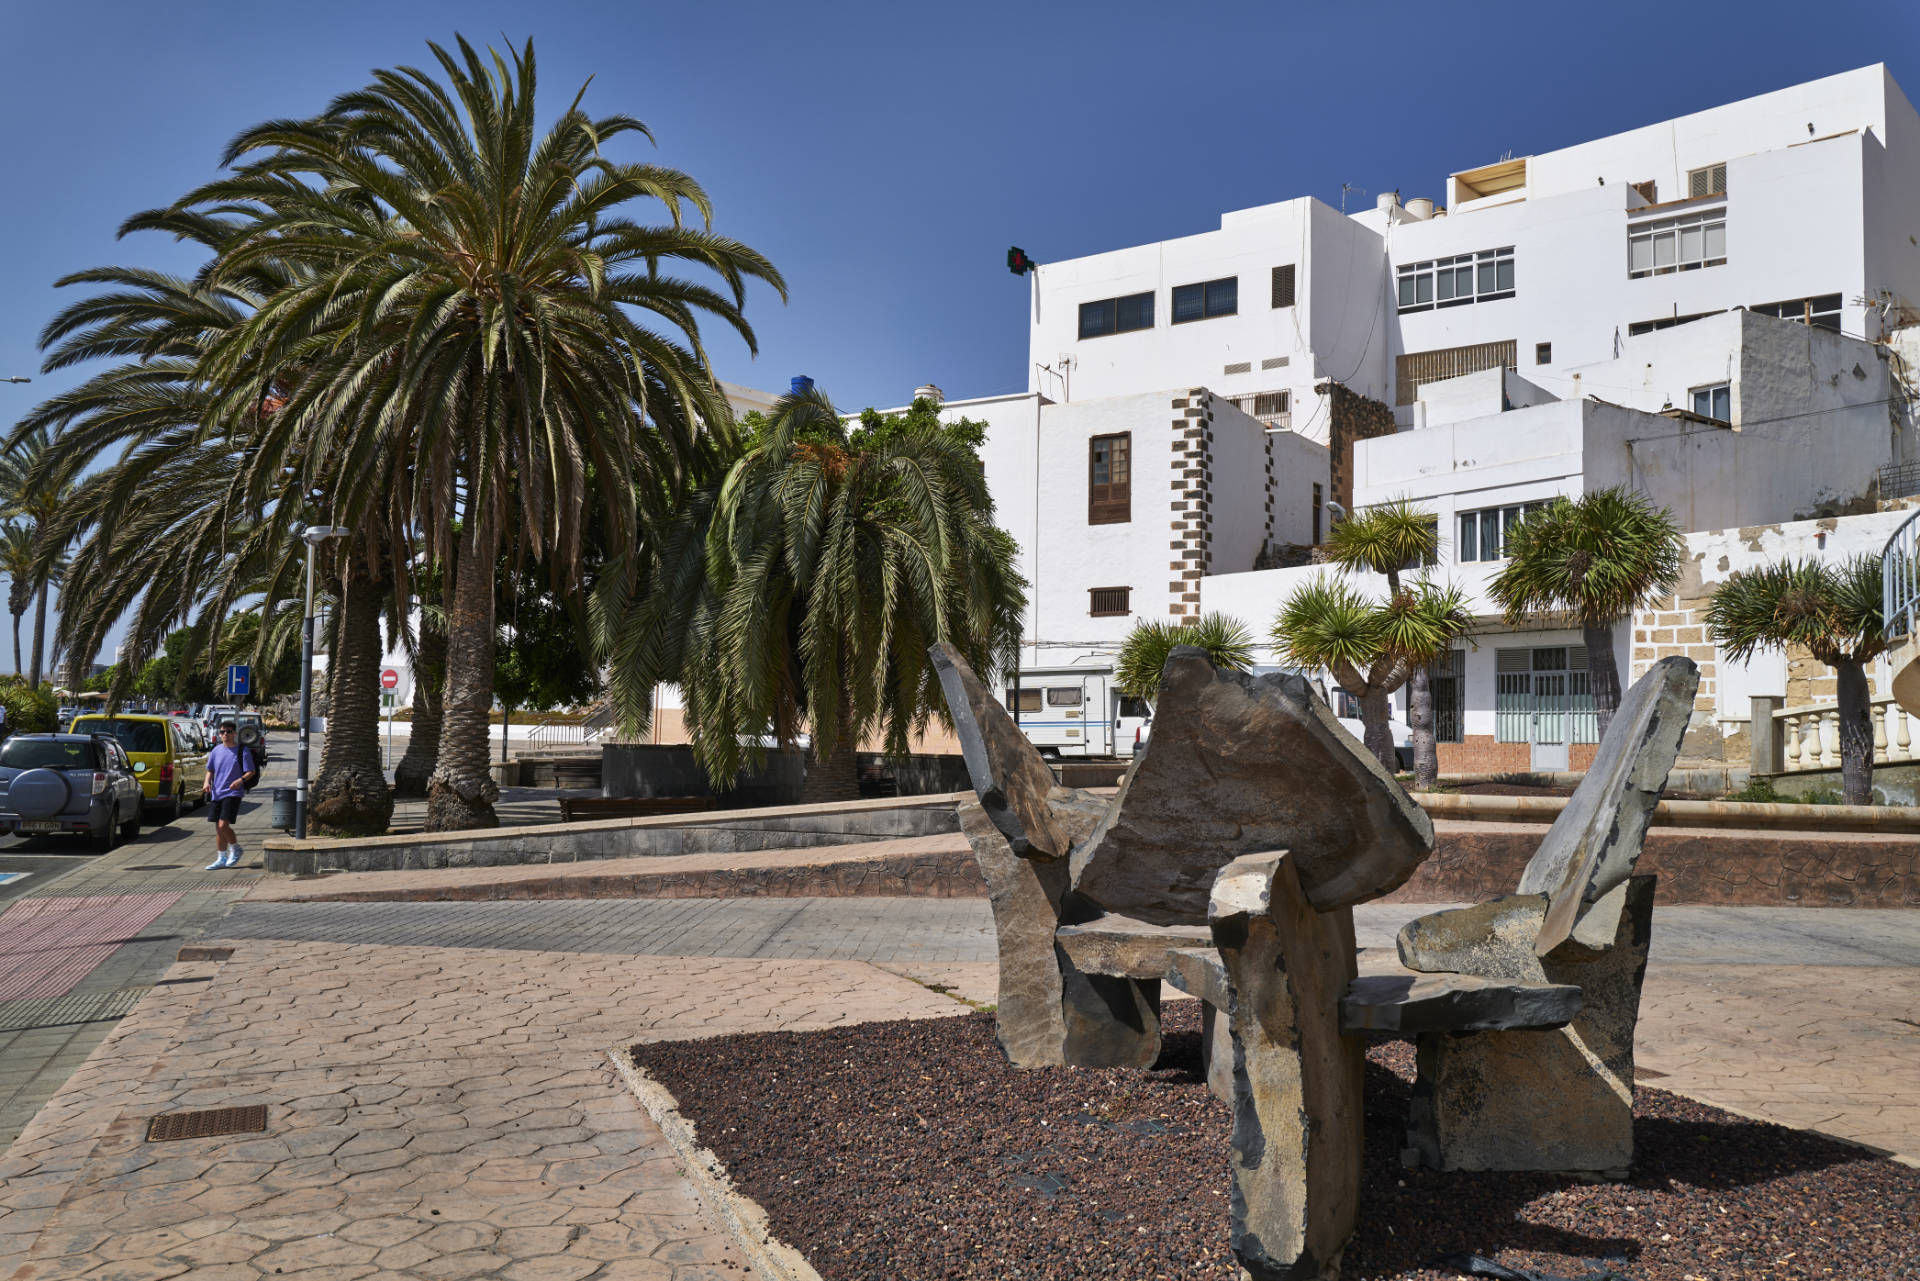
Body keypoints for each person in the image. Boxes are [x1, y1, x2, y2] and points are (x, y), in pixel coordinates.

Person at [203, 720, 259, 870]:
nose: (225, 734)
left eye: (228, 731)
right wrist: (206, 782)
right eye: (222, 732)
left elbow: (251, 771)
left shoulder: (242, 750)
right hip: (217, 792)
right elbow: (210, 770)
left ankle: (235, 848)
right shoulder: (216, 750)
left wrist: (240, 781)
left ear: (234, 733)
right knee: (218, 828)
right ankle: (221, 858)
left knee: (223, 825)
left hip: (233, 792)